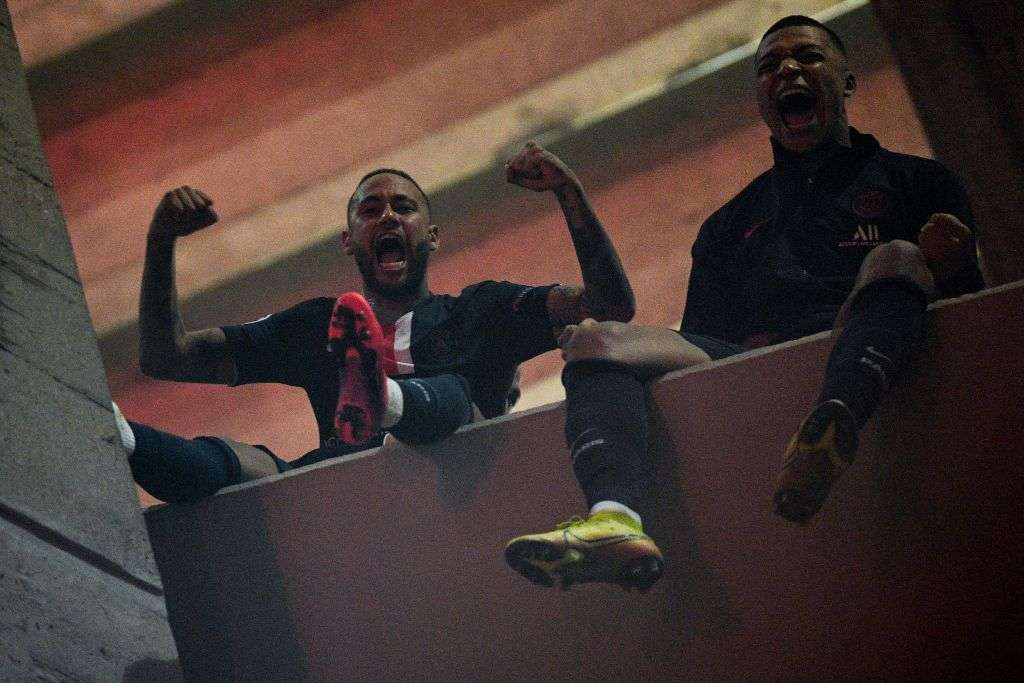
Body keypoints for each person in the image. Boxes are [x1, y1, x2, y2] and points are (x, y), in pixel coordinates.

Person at [504, 15, 984, 591]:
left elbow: (975, 314)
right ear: (761, 100)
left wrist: (953, 267)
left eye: (808, 57)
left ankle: (829, 432)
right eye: (769, 66)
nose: (787, 70)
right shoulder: (728, 224)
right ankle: (614, 518)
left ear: (847, 82)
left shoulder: (921, 182)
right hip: (753, 363)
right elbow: (698, 352)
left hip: (860, 347)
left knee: (899, 255)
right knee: (591, 339)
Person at [117, 141, 636, 504]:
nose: (387, 216)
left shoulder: (482, 310)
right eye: (370, 210)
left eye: (403, 207)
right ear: (349, 242)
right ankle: (116, 433)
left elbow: (610, 306)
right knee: (252, 465)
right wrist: (161, 240)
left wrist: (569, 191)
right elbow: (168, 358)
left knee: (458, 395)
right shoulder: (319, 325)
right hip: (354, 499)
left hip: (464, 487)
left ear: (432, 235)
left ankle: (383, 398)